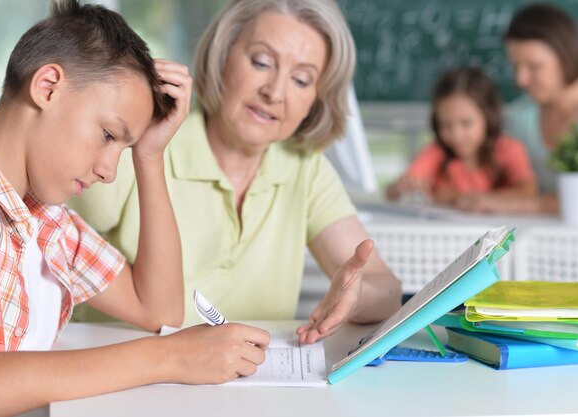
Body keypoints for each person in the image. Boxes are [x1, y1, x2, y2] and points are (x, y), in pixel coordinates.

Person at [0, 2, 269, 415]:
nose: (108, 171)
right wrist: (168, 358)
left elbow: (157, 307)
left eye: (124, 148)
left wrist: (150, 156)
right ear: (47, 86)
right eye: (107, 134)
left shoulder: (47, 222)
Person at [68, 0, 402, 344]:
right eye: (261, 62)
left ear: (316, 100)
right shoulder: (141, 143)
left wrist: (356, 296)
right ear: (223, 55)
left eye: (301, 80)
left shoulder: (305, 169)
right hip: (124, 378)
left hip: (250, 387)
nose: (274, 92)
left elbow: (387, 290)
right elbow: (49, 244)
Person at [504, 3, 578, 213]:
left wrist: (524, 203)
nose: (521, 80)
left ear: (566, 56)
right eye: (515, 66)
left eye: (534, 66)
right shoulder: (517, 116)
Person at [386, 67, 536, 213]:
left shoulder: (509, 149)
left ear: (489, 116)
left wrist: (473, 198)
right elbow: (396, 189)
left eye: (466, 123)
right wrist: (401, 188)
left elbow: (528, 192)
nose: (456, 135)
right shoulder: (437, 151)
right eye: (446, 125)